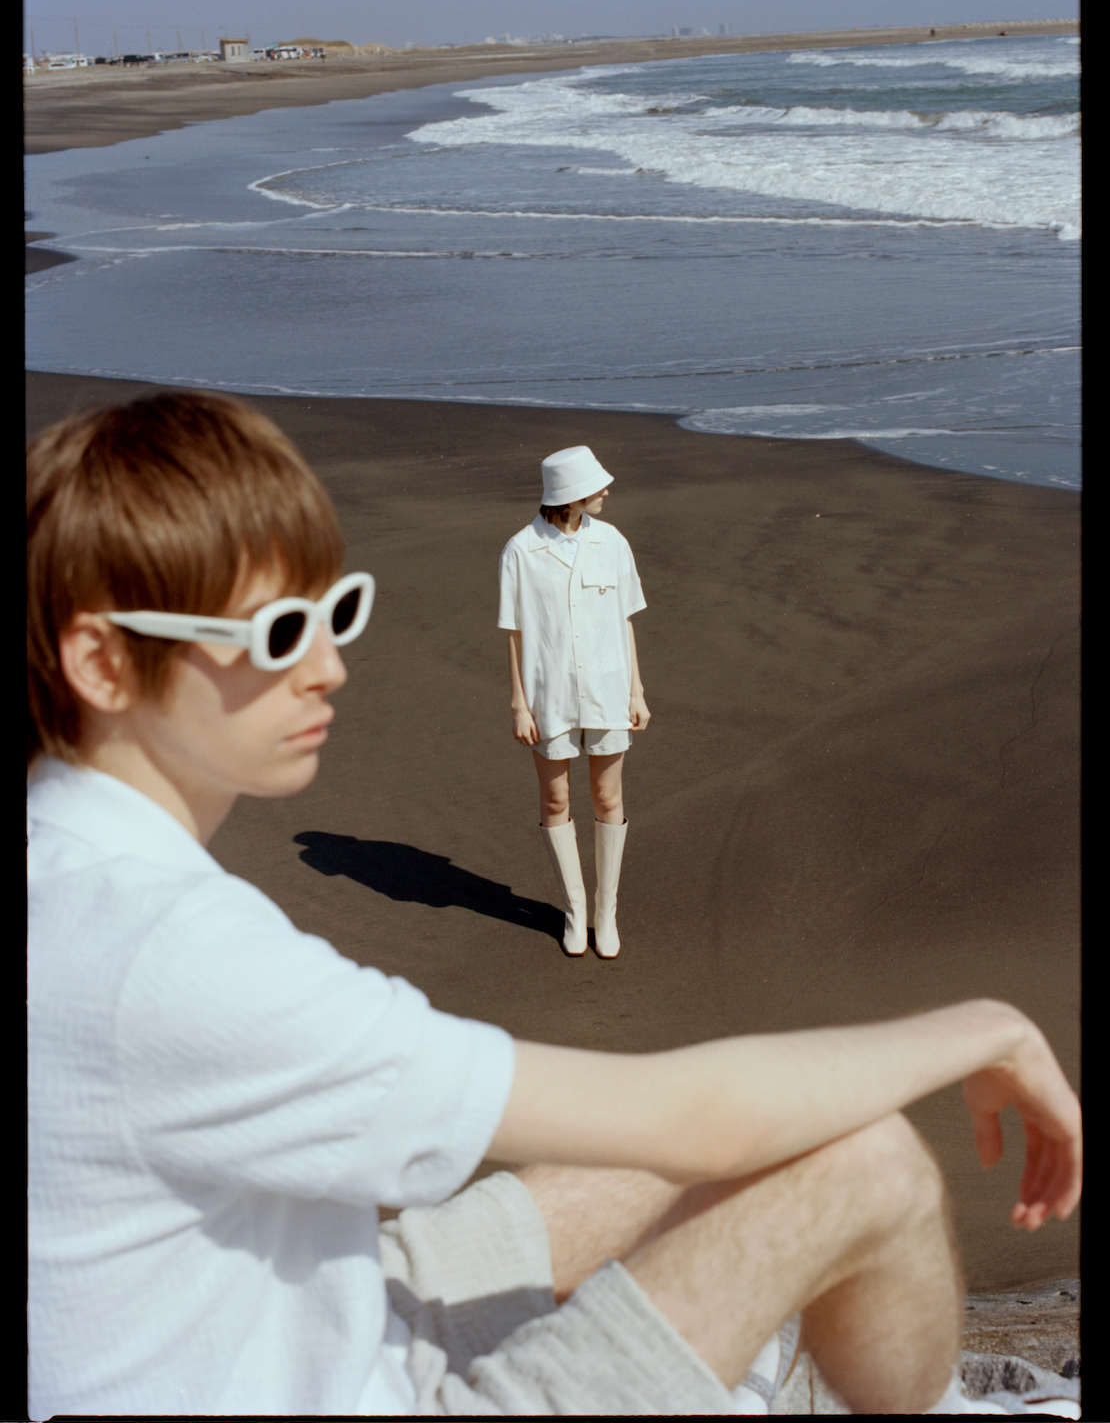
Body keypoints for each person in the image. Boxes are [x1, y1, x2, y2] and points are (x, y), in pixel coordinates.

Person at [28, 393, 1082, 1418]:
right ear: (104, 662)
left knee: (633, 1173)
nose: (330, 668)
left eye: (336, 612)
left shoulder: (70, 872)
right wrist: (985, 1028)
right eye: (277, 633)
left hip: (302, 1312)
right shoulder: (176, 956)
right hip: (347, 1390)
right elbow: (702, 1121)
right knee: (867, 1162)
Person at [498, 445, 649, 957]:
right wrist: (519, 704)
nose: (606, 490)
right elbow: (515, 633)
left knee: (608, 797)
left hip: (608, 690)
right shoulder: (521, 551)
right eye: (595, 485)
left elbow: (625, 621)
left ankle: (606, 913)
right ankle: (575, 910)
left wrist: (636, 691)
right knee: (556, 800)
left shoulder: (612, 542)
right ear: (569, 494)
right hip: (550, 696)